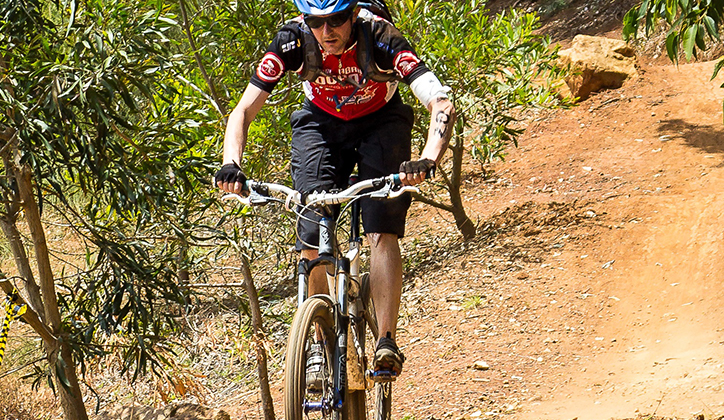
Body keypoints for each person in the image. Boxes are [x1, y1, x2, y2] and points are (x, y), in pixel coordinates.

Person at [215, 0, 454, 380]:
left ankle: (386, 341)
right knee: (311, 227)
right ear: (304, 20)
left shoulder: (380, 37)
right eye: (316, 22)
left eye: (337, 20)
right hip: (321, 124)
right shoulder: (291, 42)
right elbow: (243, 110)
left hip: (381, 121)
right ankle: (319, 342)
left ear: (354, 15)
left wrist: (427, 159)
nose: (327, 32)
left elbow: (440, 101)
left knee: (381, 227)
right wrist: (232, 164)